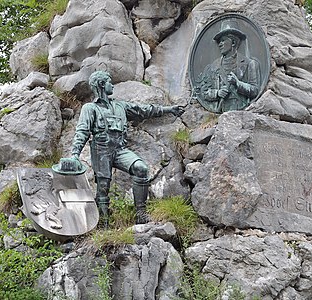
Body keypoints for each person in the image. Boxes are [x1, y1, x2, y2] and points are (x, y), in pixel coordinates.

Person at [71, 71, 184, 226]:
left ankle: (141, 215)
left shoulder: (120, 106)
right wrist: (75, 154)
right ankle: (104, 225)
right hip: (101, 151)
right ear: (102, 85)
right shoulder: (90, 108)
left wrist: (169, 109)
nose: (112, 85)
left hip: (120, 150)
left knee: (141, 169)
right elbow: (82, 131)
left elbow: (143, 110)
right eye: (110, 82)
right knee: (103, 188)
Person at [195, 20, 261, 113]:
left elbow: (255, 91)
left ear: (233, 42)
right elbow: (204, 92)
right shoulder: (212, 67)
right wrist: (217, 93)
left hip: (241, 109)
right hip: (222, 109)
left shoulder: (251, 64)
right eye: (219, 42)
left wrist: (238, 83)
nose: (220, 44)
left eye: (223, 40)